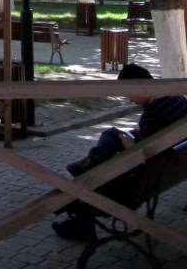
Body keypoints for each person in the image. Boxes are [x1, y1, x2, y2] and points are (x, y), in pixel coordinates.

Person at [52, 63, 187, 241]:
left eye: (129, 94)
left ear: (139, 87)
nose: (130, 100)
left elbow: (145, 157)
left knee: (87, 182)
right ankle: (92, 162)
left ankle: (82, 221)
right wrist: (140, 131)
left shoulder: (151, 113)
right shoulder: (177, 98)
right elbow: (161, 134)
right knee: (112, 133)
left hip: (137, 182)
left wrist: (130, 144)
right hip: (166, 167)